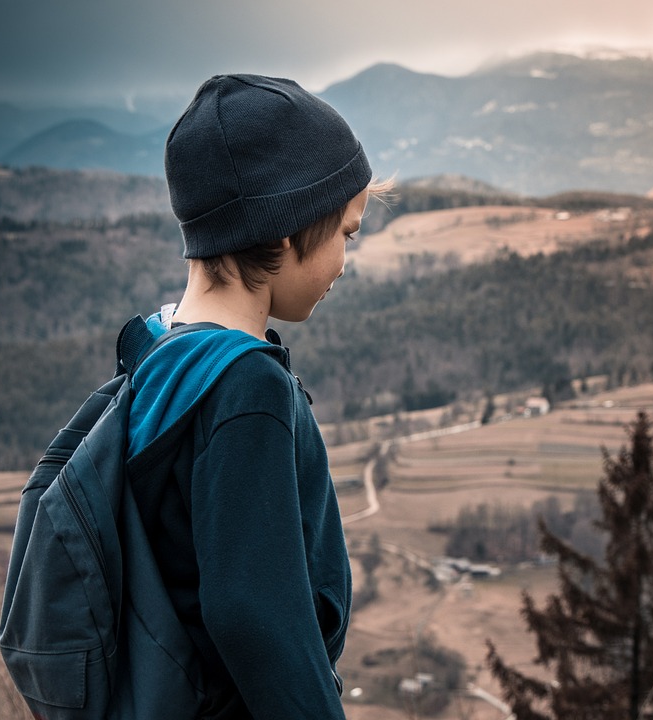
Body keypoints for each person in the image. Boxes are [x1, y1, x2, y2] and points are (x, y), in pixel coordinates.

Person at [124, 74, 389, 718]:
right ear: (289, 229)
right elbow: (255, 618)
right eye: (346, 235)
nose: (344, 265)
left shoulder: (160, 349)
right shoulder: (247, 388)